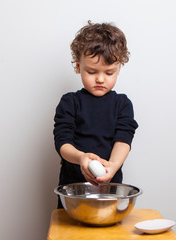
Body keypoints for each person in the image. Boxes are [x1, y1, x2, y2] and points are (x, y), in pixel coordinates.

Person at [53, 21, 138, 208]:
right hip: (73, 190)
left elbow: (124, 140)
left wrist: (113, 166)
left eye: (109, 73)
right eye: (91, 71)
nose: (100, 79)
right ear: (78, 67)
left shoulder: (122, 104)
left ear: (119, 69)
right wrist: (81, 158)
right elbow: (62, 142)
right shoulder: (70, 102)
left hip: (109, 189)